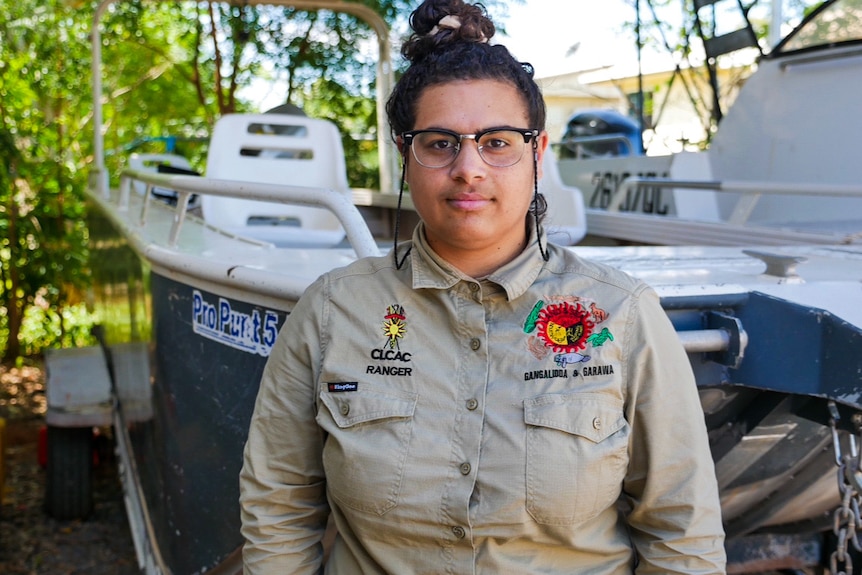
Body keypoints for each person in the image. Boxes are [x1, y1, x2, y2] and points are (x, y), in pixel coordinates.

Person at [239, 0, 727, 572]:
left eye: (497, 142)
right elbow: (279, 506)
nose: (469, 168)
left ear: (537, 153)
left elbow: (681, 531)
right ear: (406, 154)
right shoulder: (332, 312)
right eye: (440, 142)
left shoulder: (620, 313)